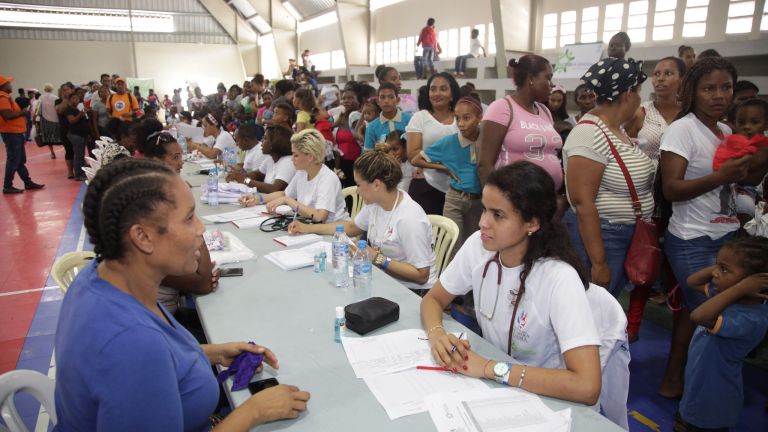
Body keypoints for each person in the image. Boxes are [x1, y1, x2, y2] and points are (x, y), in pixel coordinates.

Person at [55, 158, 310, 430]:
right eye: (189, 218)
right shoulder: (132, 345)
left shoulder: (97, 278)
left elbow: (154, 363)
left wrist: (212, 353)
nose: (201, 228)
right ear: (143, 237)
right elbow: (139, 357)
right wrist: (254, 411)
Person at [420, 161, 601, 405]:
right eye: (484, 209)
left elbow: (587, 387)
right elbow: (434, 298)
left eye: (498, 215)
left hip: (546, 397)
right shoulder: (478, 246)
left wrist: (489, 368)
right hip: (499, 385)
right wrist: (437, 334)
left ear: (533, 223)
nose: (483, 222)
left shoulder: (559, 277)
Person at [657, 56, 768, 399]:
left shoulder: (726, 131)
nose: (719, 95)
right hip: (692, 237)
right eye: (709, 88)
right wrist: (720, 176)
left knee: (693, 317)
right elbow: (671, 189)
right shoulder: (682, 129)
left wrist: (758, 159)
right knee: (713, 318)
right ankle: (698, 401)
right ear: (693, 91)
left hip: (724, 235)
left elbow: (744, 180)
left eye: (726, 87)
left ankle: (676, 381)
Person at [563, 57, 654, 298]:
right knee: (591, 304)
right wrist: (599, 263)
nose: (640, 99)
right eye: (638, 92)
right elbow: (583, 203)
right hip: (603, 236)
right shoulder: (590, 132)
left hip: (618, 234)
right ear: (627, 93)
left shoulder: (616, 129)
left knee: (603, 304)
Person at [289, 149, 436, 292]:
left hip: (412, 291)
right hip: (385, 278)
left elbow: (421, 275)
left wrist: (376, 258)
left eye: (359, 185)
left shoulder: (409, 219)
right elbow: (352, 227)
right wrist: (307, 228)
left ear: (377, 185)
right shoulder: (376, 202)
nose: (357, 190)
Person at [625, 56, 687, 341]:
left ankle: (680, 328)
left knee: (676, 267)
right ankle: (632, 327)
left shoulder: (691, 115)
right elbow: (624, 147)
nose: (660, 78)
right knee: (644, 263)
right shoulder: (641, 112)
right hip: (646, 199)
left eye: (669, 73)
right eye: (657, 73)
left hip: (683, 199)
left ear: (682, 80)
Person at [678, 237, 768, 431]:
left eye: (724, 270)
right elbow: (691, 281)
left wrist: (739, 287)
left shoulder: (751, 319)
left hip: (714, 399)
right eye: (717, 266)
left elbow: (699, 315)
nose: (715, 274)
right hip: (699, 389)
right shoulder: (730, 299)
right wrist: (723, 268)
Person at [478, 55, 562, 189]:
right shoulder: (502, 108)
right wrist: (497, 203)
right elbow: (485, 165)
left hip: (546, 201)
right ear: (531, 79)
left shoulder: (544, 111)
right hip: (514, 199)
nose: (552, 84)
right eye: (548, 77)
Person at [412, 96, 483, 247]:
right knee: (452, 244)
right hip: (455, 199)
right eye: (457, 119)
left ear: (479, 118)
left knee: (474, 244)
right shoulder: (449, 142)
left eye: (467, 118)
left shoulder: (487, 140)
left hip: (479, 201)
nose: (461, 124)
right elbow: (416, 160)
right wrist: (443, 167)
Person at [241, 129, 349, 223]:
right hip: (312, 228)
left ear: (310, 157)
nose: (292, 159)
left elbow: (320, 217)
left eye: (296, 155)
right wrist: (258, 199)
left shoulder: (327, 179)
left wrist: (288, 200)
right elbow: (284, 193)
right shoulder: (302, 172)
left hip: (334, 235)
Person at [406, 73, 460, 215]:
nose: (437, 93)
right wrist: (443, 166)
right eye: (433, 89)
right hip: (426, 185)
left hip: (459, 187)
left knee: (454, 234)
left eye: (443, 89)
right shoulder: (420, 118)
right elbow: (413, 154)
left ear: (452, 93)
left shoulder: (461, 117)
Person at [1, 75, 44, 194]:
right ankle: (7, 186)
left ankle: (27, 182)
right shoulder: (2, 98)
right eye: (8, 83)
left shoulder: (7, 97)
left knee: (19, 160)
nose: (11, 85)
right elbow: (8, 116)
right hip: (11, 133)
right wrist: (23, 112)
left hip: (16, 132)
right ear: (3, 86)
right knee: (14, 159)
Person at [227, 125, 295, 193]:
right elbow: (257, 174)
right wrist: (236, 176)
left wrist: (244, 180)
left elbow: (274, 189)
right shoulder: (270, 159)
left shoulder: (288, 162)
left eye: (265, 138)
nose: (261, 141)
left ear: (275, 142)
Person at [364, 83, 413, 151]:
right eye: (382, 97)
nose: (386, 101)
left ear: (397, 100)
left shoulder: (410, 120)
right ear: (378, 101)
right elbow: (368, 154)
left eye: (391, 97)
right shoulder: (371, 127)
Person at [64, 92, 91, 181]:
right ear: (69, 100)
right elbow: (72, 121)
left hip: (81, 134)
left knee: (81, 154)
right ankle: (78, 174)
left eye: (77, 98)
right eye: (74, 98)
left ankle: (81, 172)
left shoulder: (76, 108)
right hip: (76, 135)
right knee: (78, 155)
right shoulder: (69, 110)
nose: (76, 100)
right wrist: (81, 114)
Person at [38, 83, 61, 158]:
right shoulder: (55, 97)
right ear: (52, 89)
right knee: (59, 136)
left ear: (44, 89)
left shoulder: (41, 98)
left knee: (48, 137)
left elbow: (38, 109)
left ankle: (52, 152)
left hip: (45, 120)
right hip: (56, 120)